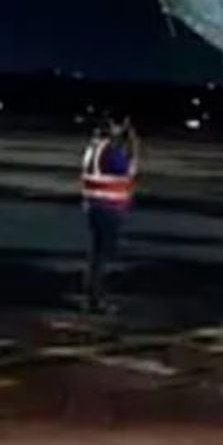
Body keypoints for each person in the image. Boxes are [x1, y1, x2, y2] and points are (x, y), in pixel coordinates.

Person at [79, 117, 140, 313]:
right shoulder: (109, 152)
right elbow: (128, 169)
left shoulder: (93, 149)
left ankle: (92, 297)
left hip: (94, 207)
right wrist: (133, 144)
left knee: (96, 256)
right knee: (101, 257)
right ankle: (96, 300)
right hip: (108, 208)